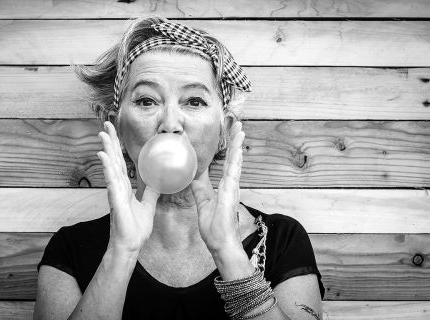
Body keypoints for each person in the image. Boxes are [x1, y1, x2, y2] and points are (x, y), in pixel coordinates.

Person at [34, 15, 324, 320]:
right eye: (147, 101)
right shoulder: (69, 249)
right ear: (117, 128)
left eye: (195, 101)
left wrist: (228, 251)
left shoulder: (281, 239)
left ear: (224, 130)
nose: (171, 124)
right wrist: (122, 252)